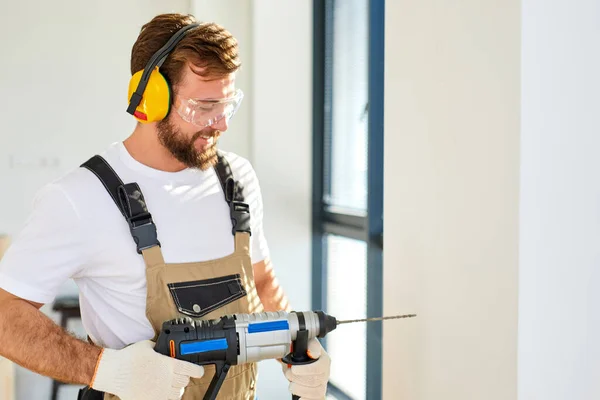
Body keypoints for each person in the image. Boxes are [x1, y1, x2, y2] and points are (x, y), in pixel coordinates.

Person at [0, 13, 330, 400]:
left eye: (227, 104)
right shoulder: (80, 198)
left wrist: (296, 342)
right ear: (150, 98)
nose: (221, 123)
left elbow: (259, 283)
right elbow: (6, 314)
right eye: (205, 106)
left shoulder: (236, 179)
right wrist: (103, 369)